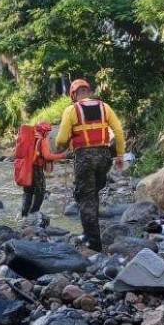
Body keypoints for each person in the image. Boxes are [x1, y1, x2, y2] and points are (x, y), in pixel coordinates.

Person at [55, 79, 126, 252]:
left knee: (85, 198)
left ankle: (93, 243)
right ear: (89, 91)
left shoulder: (71, 110)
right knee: (92, 192)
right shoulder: (105, 107)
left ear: (73, 95)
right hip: (104, 157)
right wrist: (120, 155)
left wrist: (60, 147)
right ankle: (90, 231)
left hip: (85, 158)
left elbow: (62, 140)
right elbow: (118, 131)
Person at [20, 121, 66, 218]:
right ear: (44, 131)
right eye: (48, 132)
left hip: (27, 168)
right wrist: (63, 156)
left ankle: (24, 216)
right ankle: (34, 214)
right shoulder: (43, 140)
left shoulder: (31, 138)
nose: (49, 134)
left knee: (28, 192)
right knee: (40, 192)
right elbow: (47, 156)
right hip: (37, 169)